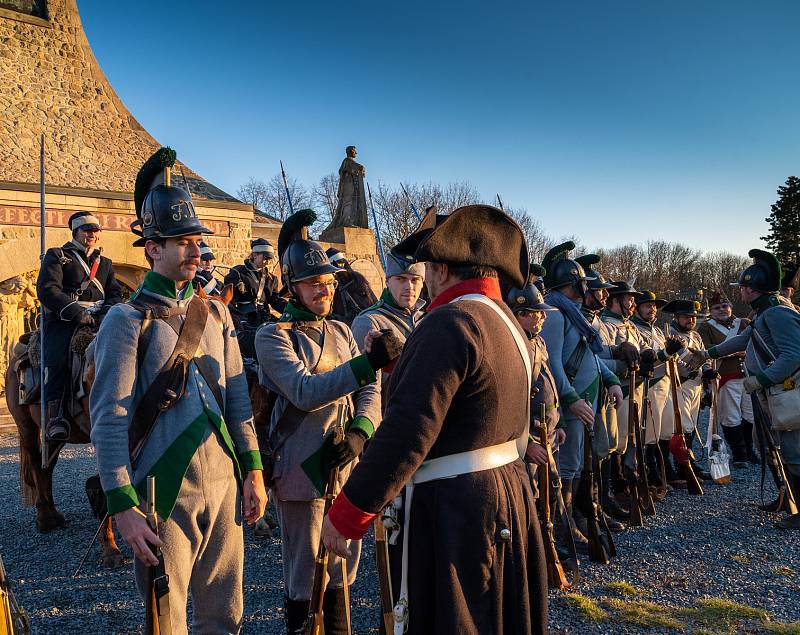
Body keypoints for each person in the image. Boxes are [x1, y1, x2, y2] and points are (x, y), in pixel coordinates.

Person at [321, 205, 549, 634]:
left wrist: (349, 512)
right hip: (502, 495)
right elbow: (471, 394)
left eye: (426, 267)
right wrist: (403, 364)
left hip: (457, 508)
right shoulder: (505, 323)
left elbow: (410, 430)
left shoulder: (450, 321)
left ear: (442, 268)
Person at [90, 147, 267, 633]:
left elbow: (236, 400)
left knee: (226, 618)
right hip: (162, 492)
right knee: (166, 623)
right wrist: (122, 505)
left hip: (225, 486)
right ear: (152, 248)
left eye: (196, 240)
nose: (195, 250)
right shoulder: (126, 321)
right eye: (181, 241)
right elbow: (110, 418)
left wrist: (252, 469)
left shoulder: (217, 313)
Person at [255, 209, 391, 634]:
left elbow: (370, 392)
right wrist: (368, 364)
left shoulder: (342, 331)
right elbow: (304, 392)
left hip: (346, 463)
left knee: (345, 565)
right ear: (292, 286)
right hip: (299, 464)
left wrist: (361, 432)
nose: (325, 290)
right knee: (303, 570)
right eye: (315, 283)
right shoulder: (272, 336)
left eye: (329, 282)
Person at [690, 249, 800, 529]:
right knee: (768, 448)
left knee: (793, 453)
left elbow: (793, 355)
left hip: (784, 393)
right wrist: (708, 353)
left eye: (742, 287)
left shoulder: (777, 314)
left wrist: (760, 379)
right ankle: (786, 498)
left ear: (751, 289)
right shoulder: (764, 312)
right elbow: (741, 341)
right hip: (771, 393)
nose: (739, 292)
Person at [36, 211, 122, 441]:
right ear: (76, 232)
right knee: (59, 357)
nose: (92, 235)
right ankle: (57, 415)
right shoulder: (57, 256)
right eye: (87, 230)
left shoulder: (105, 263)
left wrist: (107, 312)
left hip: (100, 317)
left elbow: (115, 293)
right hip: (66, 320)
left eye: (95, 231)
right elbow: (48, 290)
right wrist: (76, 313)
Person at [351, 248, 425, 405]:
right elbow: (361, 389)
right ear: (387, 281)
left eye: (415, 280)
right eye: (401, 279)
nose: (409, 287)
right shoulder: (369, 322)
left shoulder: (426, 319)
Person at [695, 292, 756, 467]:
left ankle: (749, 449)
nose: (721, 310)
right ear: (711, 311)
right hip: (726, 376)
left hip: (748, 375)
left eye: (724, 306)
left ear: (730, 307)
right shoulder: (706, 327)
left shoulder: (743, 323)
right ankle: (739, 453)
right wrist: (733, 351)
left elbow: (755, 342)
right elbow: (704, 348)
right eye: (716, 308)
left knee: (749, 415)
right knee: (731, 416)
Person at [632, 290, 683, 489]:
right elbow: (650, 357)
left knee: (665, 430)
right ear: (636, 308)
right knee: (650, 433)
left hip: (666, 384)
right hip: (650, 385)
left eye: (653, 306)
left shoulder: (658, 330)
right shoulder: (636, 328)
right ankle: (651, 472)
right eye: (647, 305)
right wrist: (666, 352)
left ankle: (664, 469)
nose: (652, 309)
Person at [662, 299, 714, 481]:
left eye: (692, 317)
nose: (690, 320)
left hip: (696, 386)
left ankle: (688, 461)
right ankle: (680, 465)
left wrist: (708, 371)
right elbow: (678, 363)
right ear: (676, 317)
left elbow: (704, 356)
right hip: (679, 385)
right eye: (686, 317)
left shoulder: (696, 336)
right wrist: (695, 367)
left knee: (691, 427)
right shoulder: (670, 335)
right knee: (679, 427)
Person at [225, 237, 285, 327]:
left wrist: (291, 310)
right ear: (254, 255)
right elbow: (229, 301)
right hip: (244, 318)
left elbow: (275, 301)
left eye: (269, 259)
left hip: (264, 317)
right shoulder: (238, 272)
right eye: (265, 258)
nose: (267, 262)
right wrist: (238, 321)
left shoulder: (271, 279)